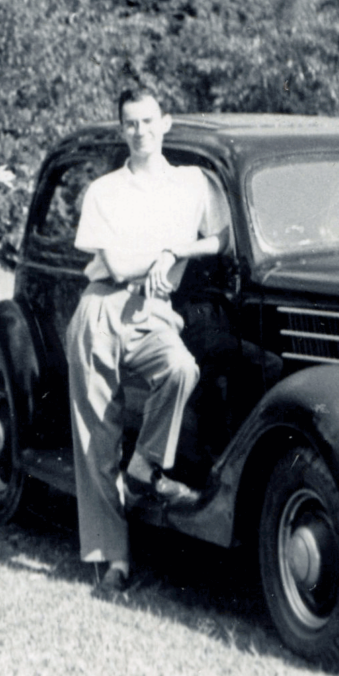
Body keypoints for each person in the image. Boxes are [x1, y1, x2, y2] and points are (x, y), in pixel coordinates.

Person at [66, 86, 229, 592]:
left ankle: (143, 468)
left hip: (154, 311)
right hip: (101, 307)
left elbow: (220, 237)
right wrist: (162, 254)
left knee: (181, 370)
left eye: (148, 121)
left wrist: (175, 251)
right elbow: (113, 263)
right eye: (130, 124)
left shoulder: (192, 184)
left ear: (167, 123)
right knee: (97, 438)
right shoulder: (105, 191)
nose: (141, 131)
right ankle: (114, 560)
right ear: (122, 130)